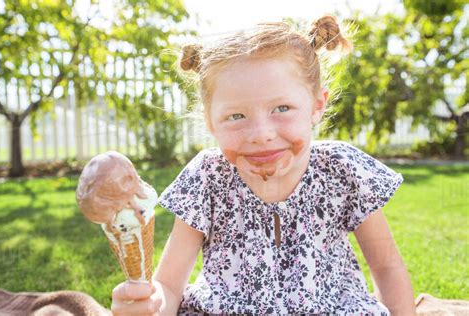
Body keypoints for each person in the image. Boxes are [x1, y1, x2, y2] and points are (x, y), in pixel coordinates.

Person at [111, 15, 416, 315]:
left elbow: (386, 267)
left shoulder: (342, 169)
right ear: (210, 121)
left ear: (317, 105)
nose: (261, 135)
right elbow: (169, 285)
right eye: (236, 116)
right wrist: (149, 306)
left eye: (282, 108)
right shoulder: (208, 176)